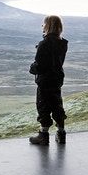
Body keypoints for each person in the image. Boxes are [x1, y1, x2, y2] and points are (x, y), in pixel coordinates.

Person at [28, 15, 68, 145]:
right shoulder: (62, 43)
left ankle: (43, 135)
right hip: (57, 79)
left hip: (45, 80)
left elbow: (39, 65)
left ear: (47, 26)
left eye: (43, 24)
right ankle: (61, 134)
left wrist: (32, 68)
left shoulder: (44, 44)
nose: (42, 26)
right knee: (57, 105)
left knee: (43, 106)